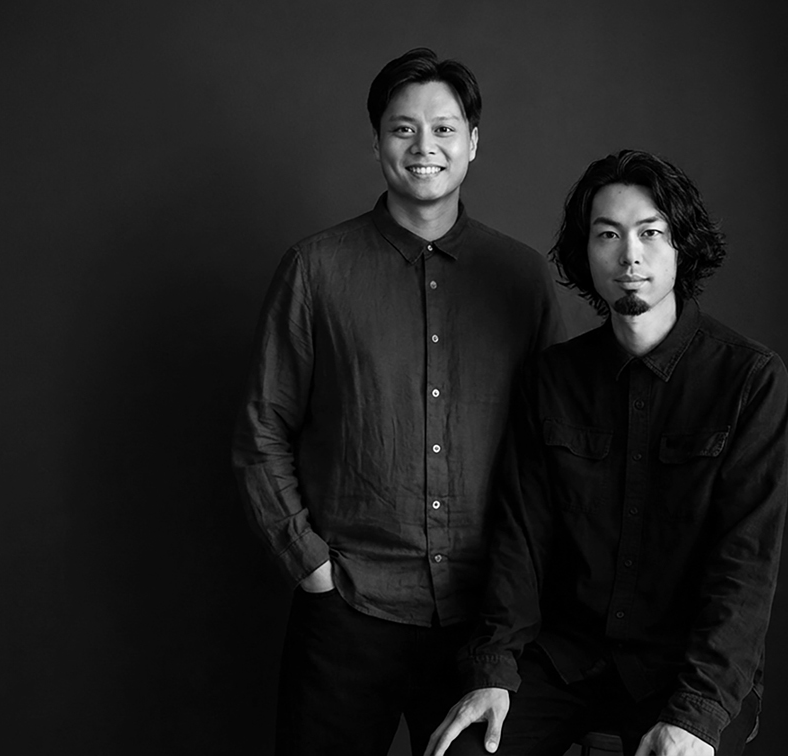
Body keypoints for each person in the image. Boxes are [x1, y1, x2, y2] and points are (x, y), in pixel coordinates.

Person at [232, 47, 564, 756]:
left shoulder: (522, 279)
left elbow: (550, 450)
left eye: (444, 129)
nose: (424, 147)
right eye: (402, 128)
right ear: (376, 141)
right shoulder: (316, 269)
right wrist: (311, 565)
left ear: (474, 142)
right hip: (347, 608)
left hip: (484, 626)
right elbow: (263, 431)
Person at [425, 150, 788, 756]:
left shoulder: (749, 379)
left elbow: (745, 567)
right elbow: (520, 540)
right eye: (608, 235)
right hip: (565, 658)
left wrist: (697, 715)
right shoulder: (551, 379)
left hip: (686, 671)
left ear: (682, 246)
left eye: (651, 233)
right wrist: (492, 670)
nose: (630, 257)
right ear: (586, 253)